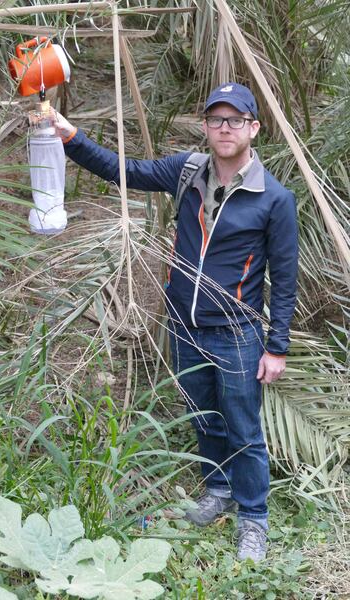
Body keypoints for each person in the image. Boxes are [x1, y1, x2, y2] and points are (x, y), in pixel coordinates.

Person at [54, 82, 298, 562]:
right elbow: (122, 170)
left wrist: (277, 347)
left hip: (236, 334)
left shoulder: (274, 198)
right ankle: (217, 489)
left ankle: (254, 518)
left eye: (234, 120)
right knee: (204, 417)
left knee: (243, 427)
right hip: (184, 327)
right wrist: (69, 136)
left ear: (253, 128)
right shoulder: (186, 171)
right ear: (205, 127)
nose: (224, 128)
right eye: (215, 120)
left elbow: (284, 279)